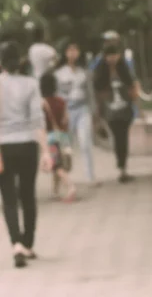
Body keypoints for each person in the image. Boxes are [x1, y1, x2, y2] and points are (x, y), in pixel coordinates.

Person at [0, 41, 53, 268]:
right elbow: (36, 120)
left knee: (9, 198)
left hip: (4, 146)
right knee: (28, 194)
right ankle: (28, 243)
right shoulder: (31, 83)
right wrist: (46, 151)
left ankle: (16, 244)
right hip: (28, 144)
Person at [93, 43, 140, 183]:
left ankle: (122, 167)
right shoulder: (100, 72)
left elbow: (132, 88)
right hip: (110, 111)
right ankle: (121, 166)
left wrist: (137, 106)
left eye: (115, 55)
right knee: (118, 137)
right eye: (110, 55)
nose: (113, 58)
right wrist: (98, 113)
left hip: (125, 110)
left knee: (123, 137)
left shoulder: (124, 69)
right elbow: (97, 92)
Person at [54, 40, 97, 185]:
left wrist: (94, 110)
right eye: (69, 50)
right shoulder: (59, 74)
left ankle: (90, 176)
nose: (73, 53)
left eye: (75, 49)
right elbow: (57, 95)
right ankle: (65, 176)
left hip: (83, 108)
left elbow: (90, 93)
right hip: (67, 110)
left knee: (85, 142)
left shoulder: (83, 72)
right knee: (67, 145)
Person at [40, 72, 77, 202]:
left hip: (51, 138)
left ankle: (71, 187)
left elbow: (41, 124)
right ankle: (55, 191)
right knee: (58, 163)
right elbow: (66, 119)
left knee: (56, 166)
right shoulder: (61, 101)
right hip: (63, 136)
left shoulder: (42, 103)